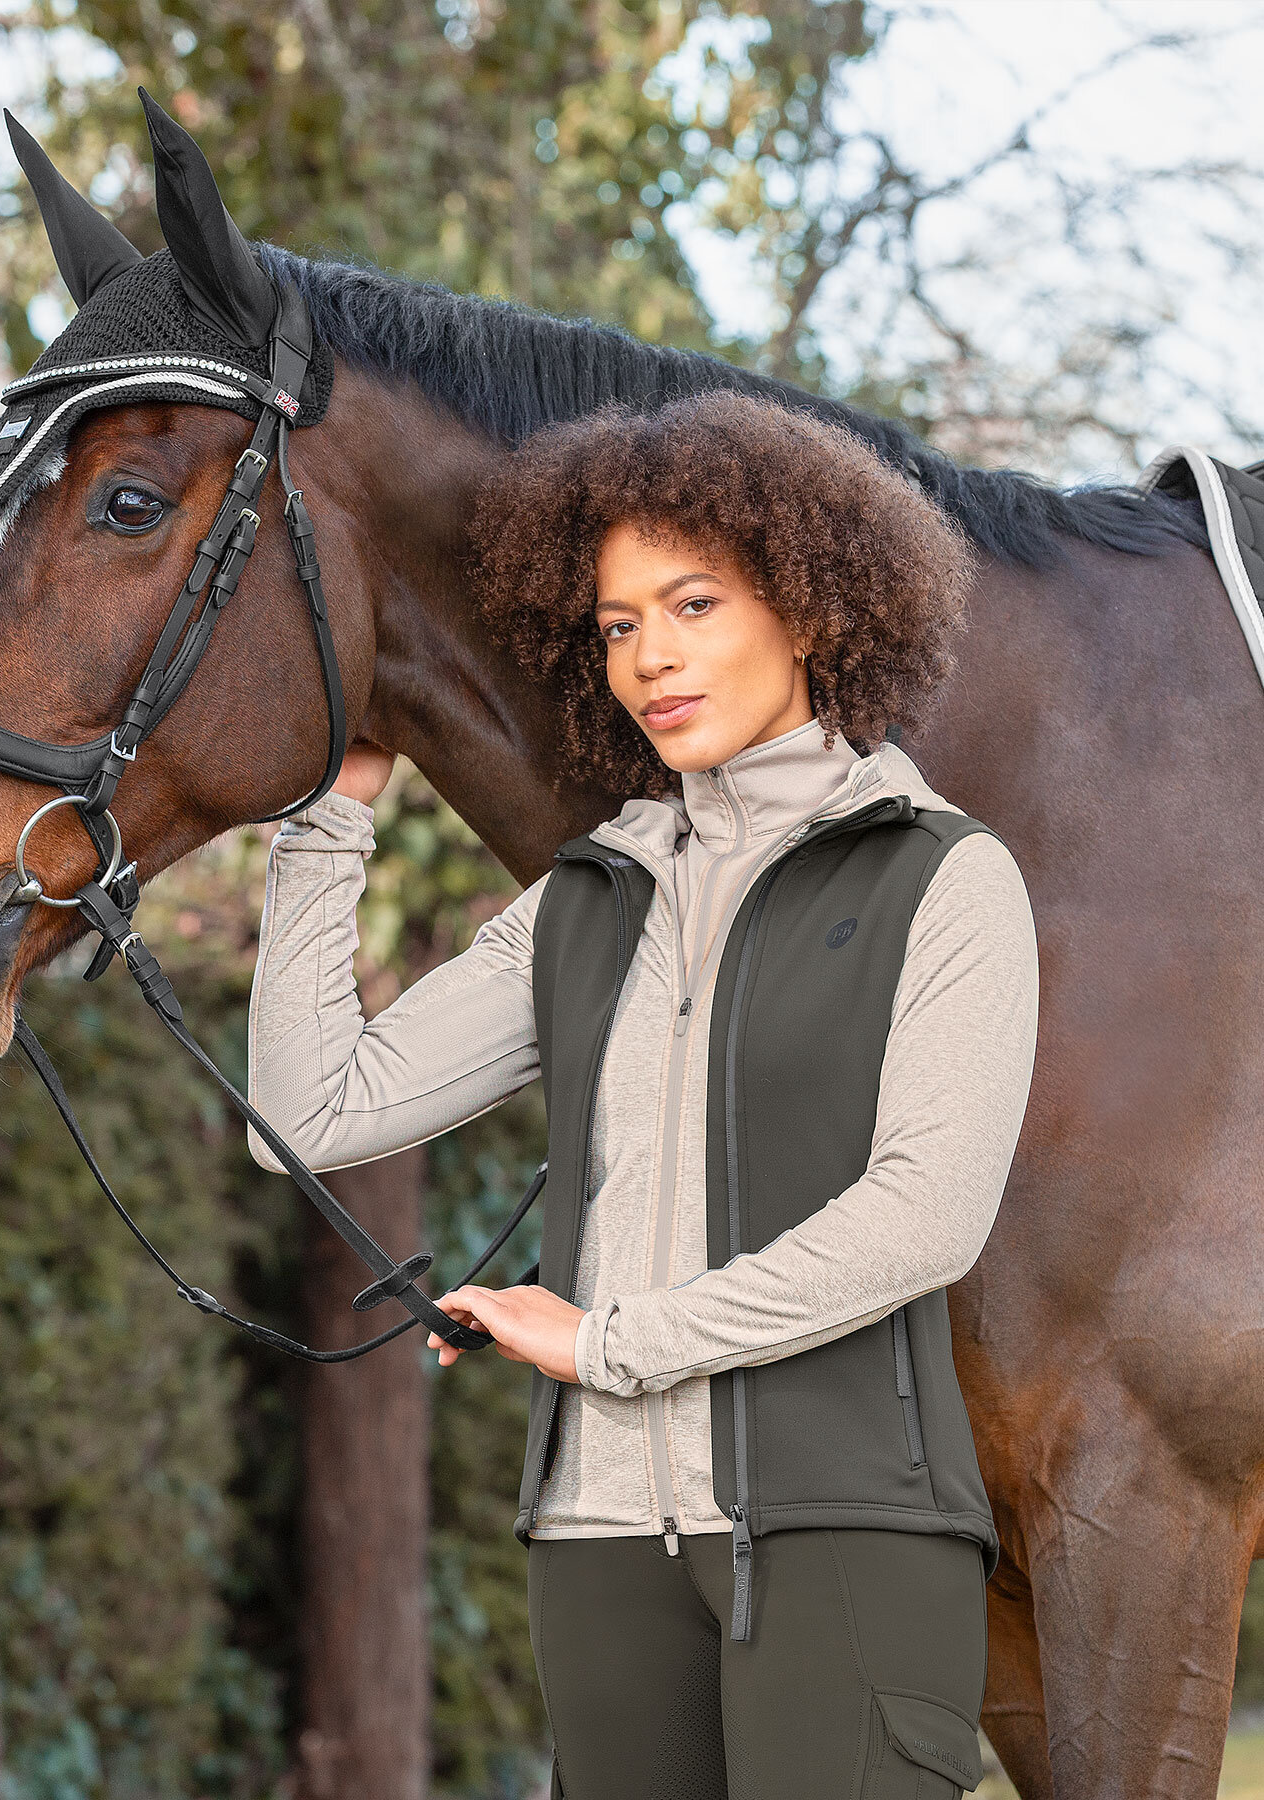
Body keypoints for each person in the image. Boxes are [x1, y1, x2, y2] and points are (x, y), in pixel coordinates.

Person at [245, 391, 1039, 1799]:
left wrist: (606, 1341)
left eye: (690, 604)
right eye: (616, 626)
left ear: (809, 604)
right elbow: (310, 1118)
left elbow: (925, 1217)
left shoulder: (941, 876)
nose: (649, 659)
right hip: (596, 1542)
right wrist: (328, 820)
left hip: (842, 1532)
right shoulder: (588, 897)